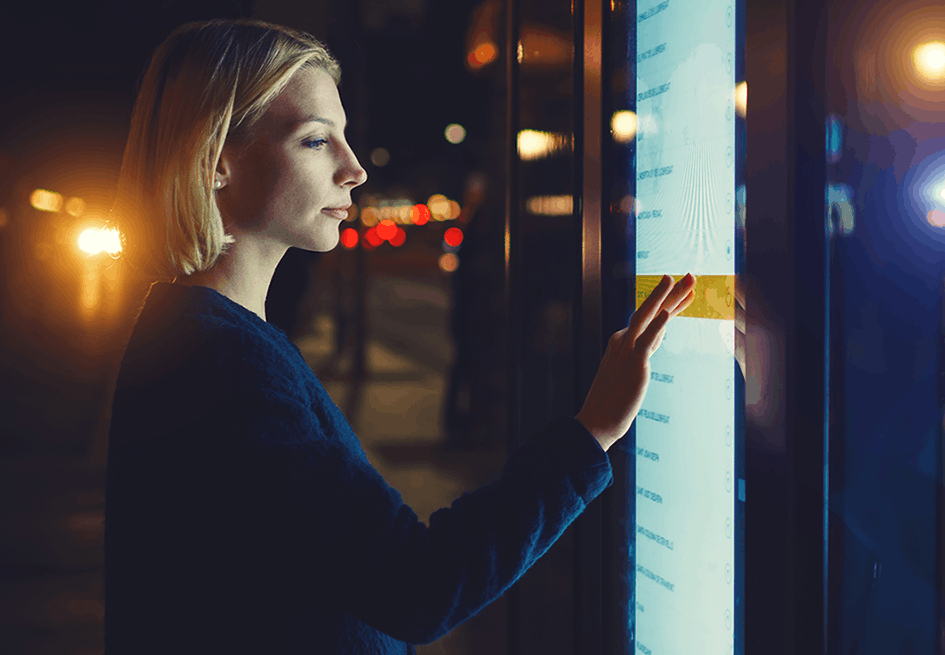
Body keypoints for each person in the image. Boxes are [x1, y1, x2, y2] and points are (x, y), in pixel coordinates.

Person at [104, 18, 696, 654]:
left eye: (344, 138)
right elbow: (417, 585)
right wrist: (593, 431)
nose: (354, 169)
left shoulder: (206, 336)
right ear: (216, 161)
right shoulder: (223, 360)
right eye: (315, 141)